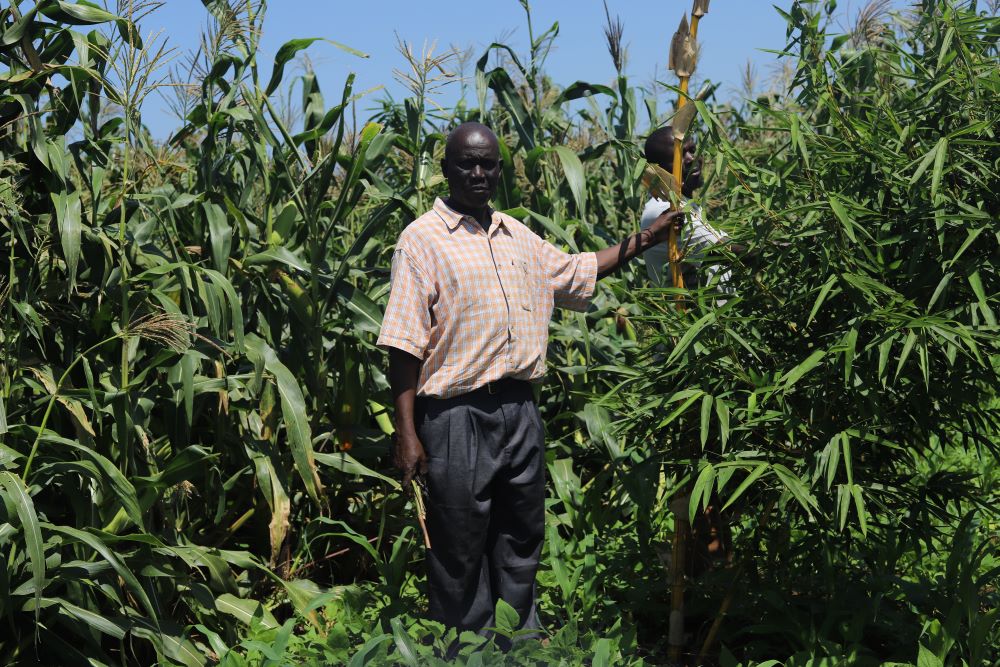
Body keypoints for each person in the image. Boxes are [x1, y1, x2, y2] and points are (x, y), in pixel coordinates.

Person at [376, 121, 683, 636]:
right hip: (455, 415)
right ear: (446, 170)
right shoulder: (421, 241)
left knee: (521, 537)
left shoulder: (516, 235)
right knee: (459, 543)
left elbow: (576, 271)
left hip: (519, 410)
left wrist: (647, 238)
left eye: (488, 164)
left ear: (499, 170)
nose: (478, 173)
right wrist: (407, 434)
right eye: (466, 163)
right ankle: (464, 650)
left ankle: (521, 644)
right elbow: (403, 345)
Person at [639, 126, 745, 294]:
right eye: (680, 155)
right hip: (689, 316)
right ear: (658, 169)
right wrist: (772, 249)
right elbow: (723, 251)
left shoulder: (685, 203)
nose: (691, 158)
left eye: (693, 150)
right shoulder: (665, 209)